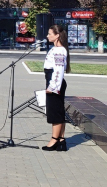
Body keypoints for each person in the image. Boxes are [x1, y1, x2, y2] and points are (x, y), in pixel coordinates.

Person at [42, 24, 70, 152]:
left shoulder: (59, 50)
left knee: (55, 112)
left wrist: (53, 87)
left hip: (55, 83)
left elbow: (58, 70)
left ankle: (54, 140)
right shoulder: (56, 49)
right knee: (58, 111)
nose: (47, 36)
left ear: (57, 35)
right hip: (53, 81)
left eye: (50, 34)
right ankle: (61, 141)